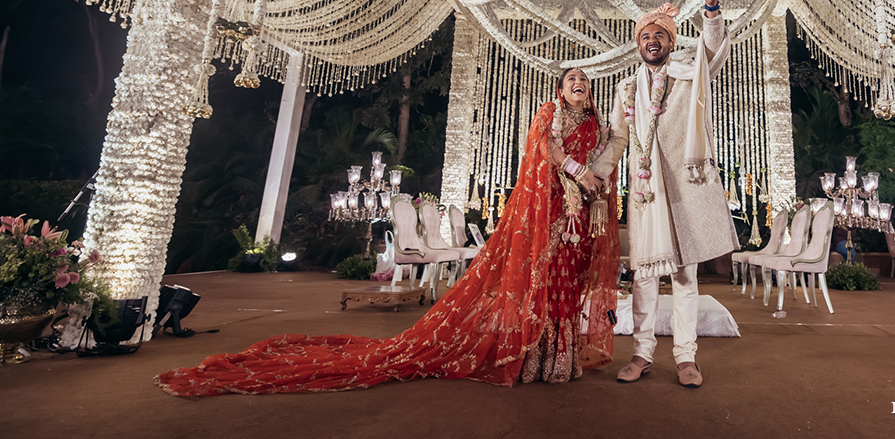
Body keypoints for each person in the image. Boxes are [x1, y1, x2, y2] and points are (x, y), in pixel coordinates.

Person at [156, 69, 618, 396]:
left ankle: (561, 359)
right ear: (560, 89)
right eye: (571, 80)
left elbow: (607, 159)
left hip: (577, 220)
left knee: (565, 285)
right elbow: (544, 152)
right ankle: (531, 357)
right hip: (543, 216)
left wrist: (595, 184)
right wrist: (579, 172)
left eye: (584, 82)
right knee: (538, 282)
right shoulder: (548, 114)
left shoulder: (597, 125)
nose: (579, 85)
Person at [560, 0, 738, 389]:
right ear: (638, 45)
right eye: (644, 37)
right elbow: (619, 139)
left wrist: (712, 8)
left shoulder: (689, 75)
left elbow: (714, 50)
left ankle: (686, 357)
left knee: (684, 275)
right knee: (643, 275)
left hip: (685, 189)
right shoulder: (626, 90)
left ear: (670, 43)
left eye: (658, 36)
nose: (651, 41)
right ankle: (642, 353)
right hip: (647, 192)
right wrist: (591, 175)